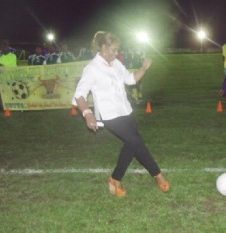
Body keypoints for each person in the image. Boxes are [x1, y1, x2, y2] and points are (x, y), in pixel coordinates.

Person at [73, 31, 170, 197]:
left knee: (133, 144)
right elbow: (79, 94)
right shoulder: (92, 68)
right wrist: (88, 114)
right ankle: (157, 175)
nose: (116, 53)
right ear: (103, 48)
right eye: (113, 50)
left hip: (126, 111)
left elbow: (131, 79)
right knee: (134, 141)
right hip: (109, 115)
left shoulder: (116, 63)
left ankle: (116, 179)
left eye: (117, 50)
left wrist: (143, 68)